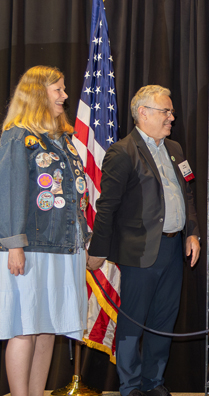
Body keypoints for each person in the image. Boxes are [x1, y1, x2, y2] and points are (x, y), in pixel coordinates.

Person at [87, 85, 200, 396]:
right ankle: (130, 385)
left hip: (173, 249)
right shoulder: (122, 152)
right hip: (139, 252)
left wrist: (192, 232)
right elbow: (107, 206)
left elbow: (186, 194)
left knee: (164, 320)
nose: (172, 117)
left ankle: (154, 383)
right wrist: (98, 250)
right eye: (166, 111)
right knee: (134, 322)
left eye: (171, 112)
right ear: (143, 113)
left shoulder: (175, 148)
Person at [0, 66, 92, 396]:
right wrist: (14, 246)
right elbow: (9, 193)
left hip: (63, 247)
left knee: (47, 328)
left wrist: (83, 240)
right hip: (29, 248)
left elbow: (74, 196)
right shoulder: (17, 136)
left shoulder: (62, 140)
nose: (65, 96)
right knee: (23, 328)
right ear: (39, 93)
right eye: (59, 90)